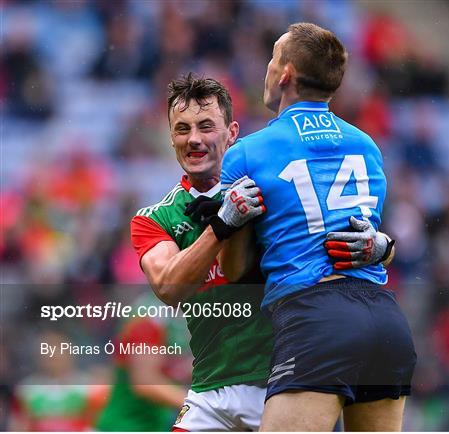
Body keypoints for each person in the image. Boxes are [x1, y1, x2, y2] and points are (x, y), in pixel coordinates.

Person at [130, 73, 394, 431]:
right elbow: (168, 287)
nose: (194, 139)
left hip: (285, 384)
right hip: (209, 390)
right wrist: (222, 225)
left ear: (232, 133)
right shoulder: (156, 217)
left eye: (206, 126)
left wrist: (382, 248)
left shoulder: (275, 187)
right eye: (182, 129)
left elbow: (342, 240)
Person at [215, 23, 416, 431]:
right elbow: (372, 236)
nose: (267, 69)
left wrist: (227, 224)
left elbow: (234, 269)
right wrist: (385, 248)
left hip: (316, 319)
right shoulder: (365, 144)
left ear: (285, 74)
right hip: (385, 318)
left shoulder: (248, 152)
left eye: (273, 58)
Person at [96, 294, 191, 431]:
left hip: (154, 425)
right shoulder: (149, 317)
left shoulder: (181, 316)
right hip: (126, 426)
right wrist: (199, 406)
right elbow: (146, 383)